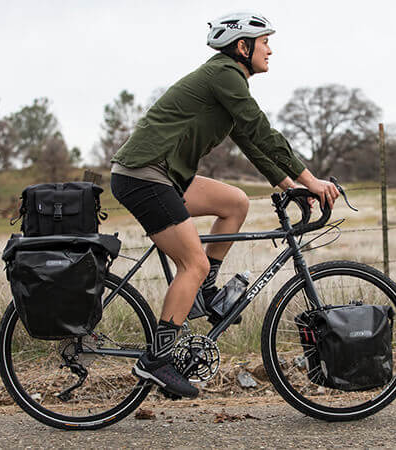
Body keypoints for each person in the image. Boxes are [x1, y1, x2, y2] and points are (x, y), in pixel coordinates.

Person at [110, 11, 339, 398]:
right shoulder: (224, 74)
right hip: (143, 175)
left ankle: (206, 292)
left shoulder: (228, 83)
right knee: (193, 262)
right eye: (264, 41)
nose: (271, 49)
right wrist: (311, 181)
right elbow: (260, 129)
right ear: (242, 46)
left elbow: (251, 142)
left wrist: (287, 185)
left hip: (164, 175)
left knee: (234, 202)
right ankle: (157, 359)